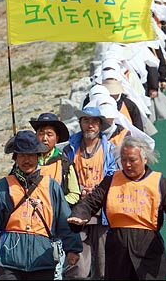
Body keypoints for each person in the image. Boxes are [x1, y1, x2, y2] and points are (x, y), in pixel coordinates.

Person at [67, 136, 166, 280]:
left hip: (148, 248)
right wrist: (79, 215)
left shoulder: (159, 182)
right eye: (124, 160)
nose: (127, 164)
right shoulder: (111, 180)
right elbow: (90, 202)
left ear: (145, 159)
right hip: (117, 247)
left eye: (132, 160)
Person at [0, 130, 83, 280]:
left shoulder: (51, 186)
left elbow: (64, 220)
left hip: (43, 259)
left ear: (38, 157)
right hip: (9, 260)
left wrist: (73, 248)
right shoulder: (4, 185)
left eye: (31, 155)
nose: (26, 160)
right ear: (15, 158)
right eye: (22, 155)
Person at [63, 106, 116, 280]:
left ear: (100, 125)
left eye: (94, 121)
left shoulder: (110, 150)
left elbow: (114, 177)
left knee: (103, 265)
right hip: (76, 209)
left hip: (101, 211)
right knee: (76, 265)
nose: (90, 125)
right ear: (80, 123)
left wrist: (95, 193)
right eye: (86, 121)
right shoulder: (69, 149)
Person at [29, 112, 81, 280]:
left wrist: (56, 204)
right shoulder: (26, 162)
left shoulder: (65, 164)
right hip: (29, 227)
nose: (44, 138)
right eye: (41, 133)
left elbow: (74, 193)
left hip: (55, 228)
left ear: (57, 138)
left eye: (49, 134)